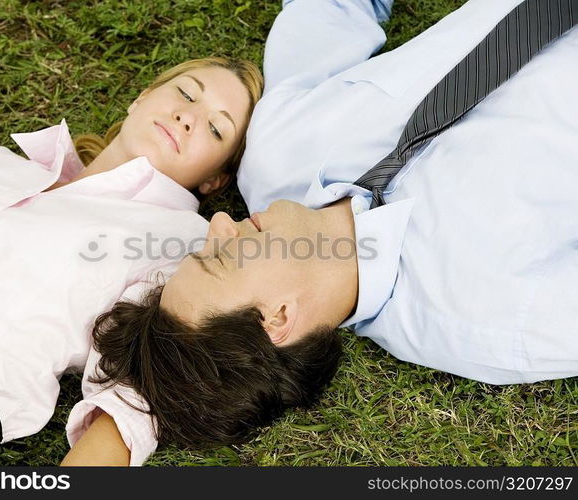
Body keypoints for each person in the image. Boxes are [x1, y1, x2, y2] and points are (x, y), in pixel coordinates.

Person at [148, 0, 578, 437]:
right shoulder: (496, 321)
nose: (219, 222)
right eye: (217, 258)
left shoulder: (275, 154)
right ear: (276, 318)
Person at [0, 56, 264, 466]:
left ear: (215, 179)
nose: (188, 117)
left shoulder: (177, 238)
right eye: (186, 93)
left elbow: (142, 379)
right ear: (142, 97)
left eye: (215, 128)